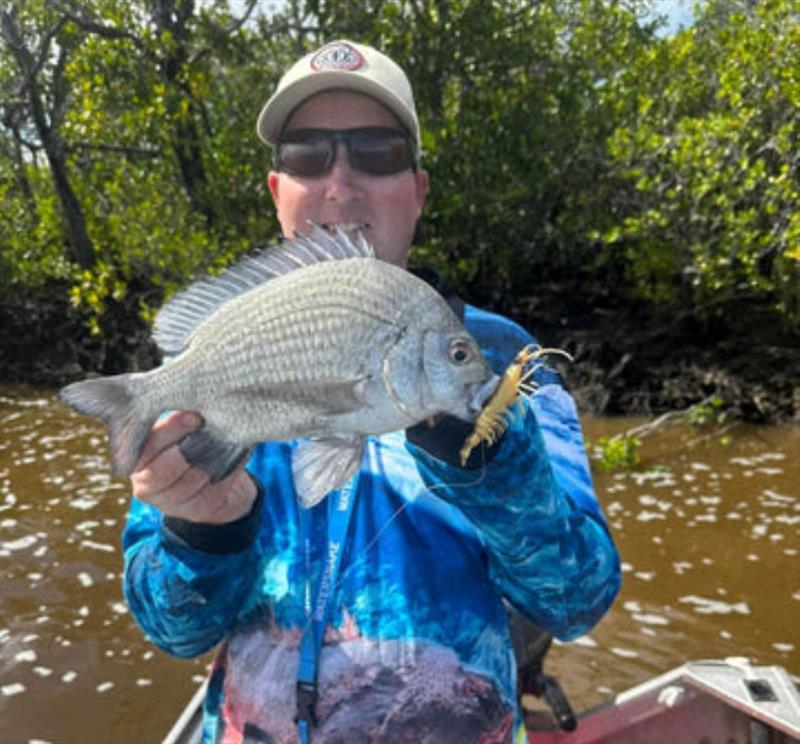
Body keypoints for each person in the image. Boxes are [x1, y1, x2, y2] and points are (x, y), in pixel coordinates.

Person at [123, 39, 620, 744]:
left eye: (378, 151)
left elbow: (577, 600)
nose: (340, 182)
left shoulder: (505, 361)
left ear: (418, 188)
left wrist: (495, 468)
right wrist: (205, 532)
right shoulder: (225, 357)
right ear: (276, 191)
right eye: (305, 155)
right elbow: (172, 630)